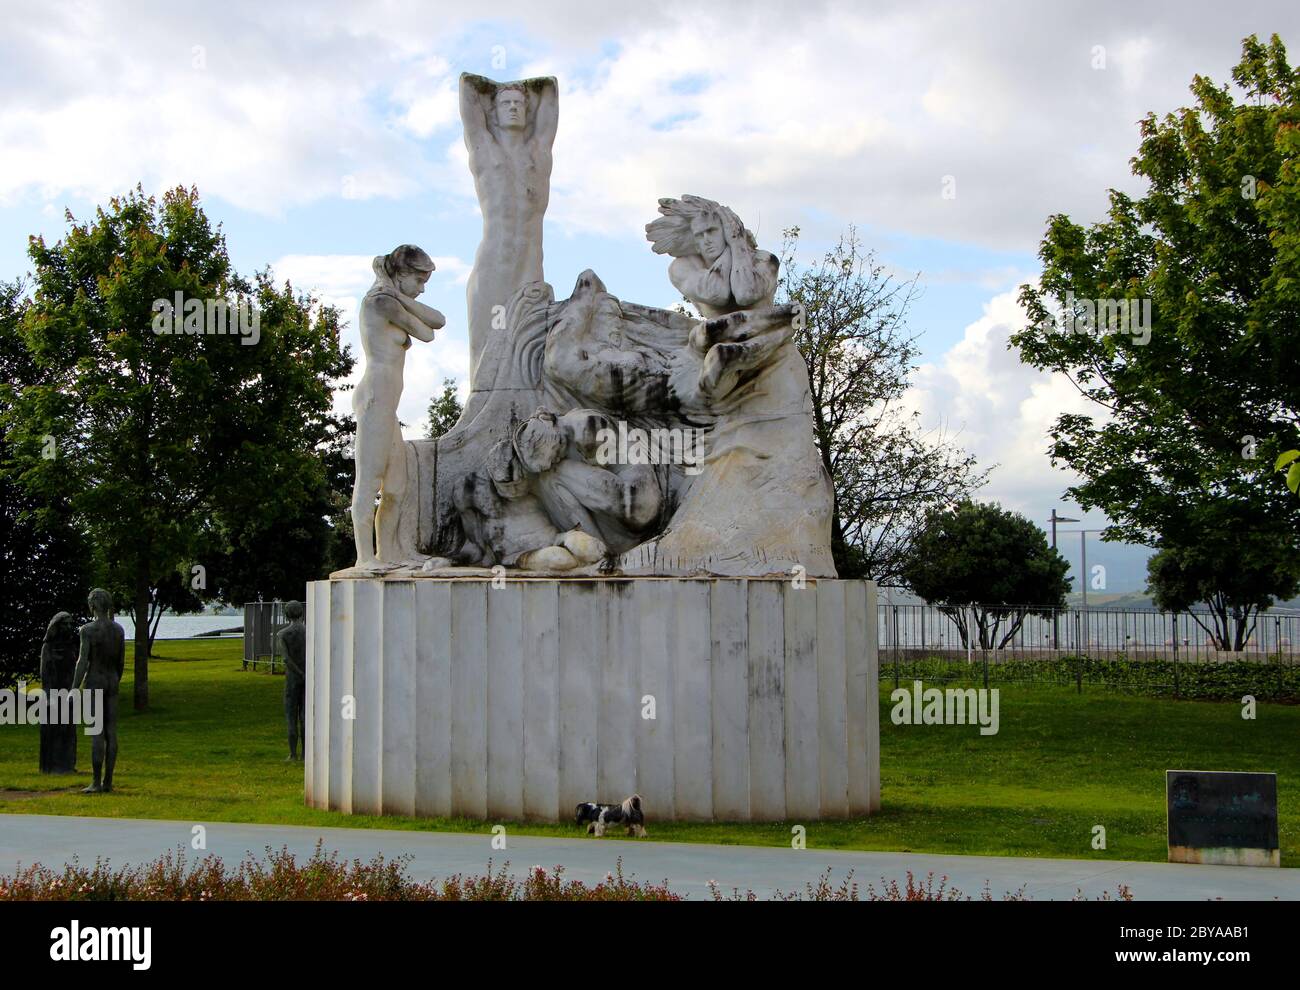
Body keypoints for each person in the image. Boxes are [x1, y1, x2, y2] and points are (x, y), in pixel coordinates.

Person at [350, 244, 445, 571]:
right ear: (401, 274)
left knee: (396, 486)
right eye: (418, 281)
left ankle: (388, 553)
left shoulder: (391, 298)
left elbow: (439, 321)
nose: (420, 289)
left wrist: (399, 294)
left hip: (388, 406)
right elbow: (426, 332)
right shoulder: (379, 302)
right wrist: (391, 293)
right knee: (369, 481)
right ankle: (365, 557)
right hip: (375, 398)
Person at [71, 588, 125, 793]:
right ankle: (108, 781)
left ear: (92, 605)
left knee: (97, 732)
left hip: (94, 681)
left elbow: (82, 662)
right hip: (112, 681)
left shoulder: (87, 630)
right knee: (111, 732)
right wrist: (115, 680)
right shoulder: (118, 630)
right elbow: (121, 662)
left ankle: (96, 781)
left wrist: (74, 688)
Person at [277, 601, 307, 761]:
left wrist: (299, 673)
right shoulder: (310, 631)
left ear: (286, 614)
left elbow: (286, 659)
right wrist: (305, 674)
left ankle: (293, 753)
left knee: (291, 715)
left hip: (292, 678)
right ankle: (305, 753)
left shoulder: (282, 634)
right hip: (307, 677)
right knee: (305, 716)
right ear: (301, 612)